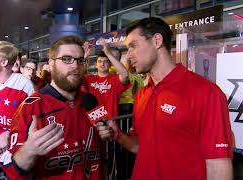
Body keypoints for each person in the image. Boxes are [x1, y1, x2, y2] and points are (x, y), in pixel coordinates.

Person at [96, 17, 233, 180]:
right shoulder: (142, 93)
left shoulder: (206, 93)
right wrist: (118, 134)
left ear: (157, 40)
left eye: (133, 46)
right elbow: (139, 146)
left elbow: (218, 164)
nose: (129, 56)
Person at [0, 36, 103, 180]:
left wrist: (108, 132)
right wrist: (29, 151)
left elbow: (103, 136)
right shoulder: (31, 107)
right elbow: (12, 171)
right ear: (51, 63)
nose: (75, 66)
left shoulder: (90, 100)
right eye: (67, 59)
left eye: (80, 60)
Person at [83, 38, 130, 118]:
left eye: (105, 61)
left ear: (110, 64)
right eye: (100, 61)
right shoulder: (89, 79)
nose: (102, 64)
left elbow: (125, 75)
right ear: (95, 65)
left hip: (111, 122)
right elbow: (77, 77)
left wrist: (108, 53)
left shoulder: (115, 79)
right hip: (94, 122)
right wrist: (84, 58)